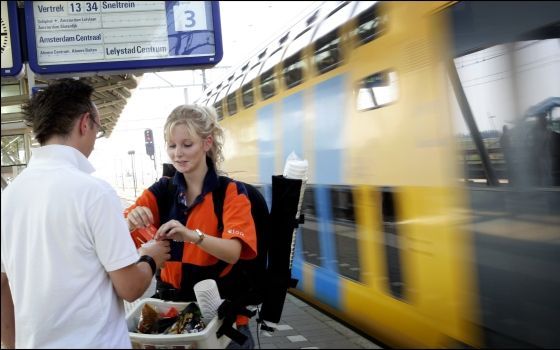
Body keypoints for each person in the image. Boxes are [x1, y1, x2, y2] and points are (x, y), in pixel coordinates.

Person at [0, 78, 171, 349]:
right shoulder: (94, 192)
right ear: (84, 123)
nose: (94, 139)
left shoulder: (8, 197)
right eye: (97, 129)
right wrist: (151, 258)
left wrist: (10, 345)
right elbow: (130, 288)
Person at [125, 104, 257, 348]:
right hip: (172, 316)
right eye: (172, 146)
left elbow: (234, 252)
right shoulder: (162, 191)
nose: (178, 153)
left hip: (221, 321)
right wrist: (130, 221)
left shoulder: (230, 192)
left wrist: (192, 236)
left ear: (207, 143)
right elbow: (120, 235)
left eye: (187, 145)